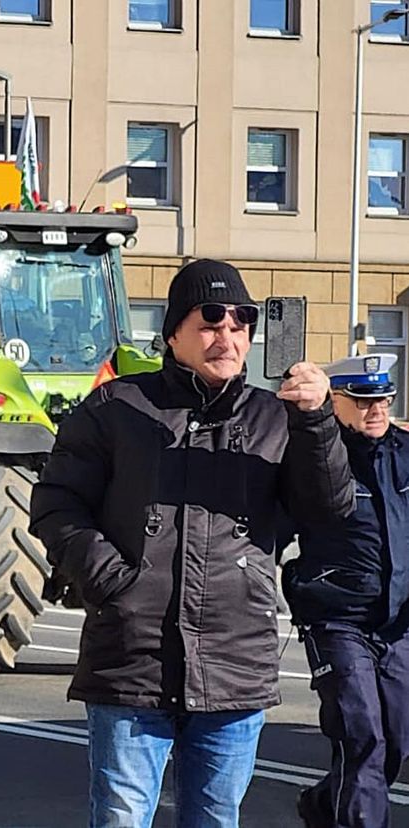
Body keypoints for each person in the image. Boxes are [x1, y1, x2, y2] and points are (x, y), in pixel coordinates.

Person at [29, 258, 356, 828]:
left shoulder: (276, 418)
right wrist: (112, 582)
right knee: (122, 817)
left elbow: (328, 510)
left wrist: (317, 422)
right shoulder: (116, 408)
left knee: (214, 817)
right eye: (208, 321)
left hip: (235, 661)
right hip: (132, 661)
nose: (225, 336)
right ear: (172, 332)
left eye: (240, 323)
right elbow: (56, 504)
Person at [282, 353, 409, 828]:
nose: (376, 409)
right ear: (335, 402)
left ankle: (323, 804)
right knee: (362, 737)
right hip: (336, 618)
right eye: (362, 400)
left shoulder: (404, 453)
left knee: (397, 737)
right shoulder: (317, 458)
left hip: (398, 622)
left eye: (384, 399)